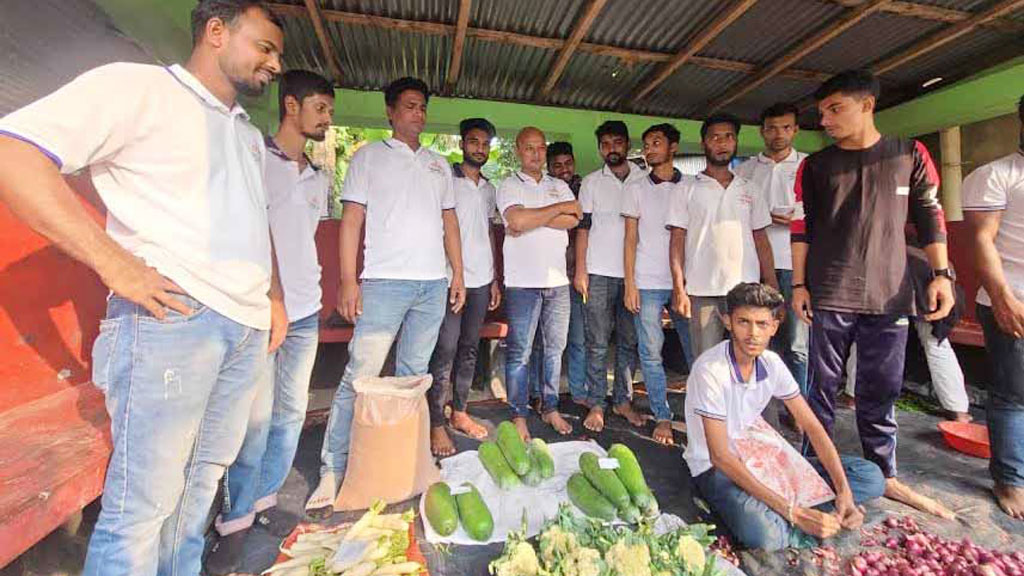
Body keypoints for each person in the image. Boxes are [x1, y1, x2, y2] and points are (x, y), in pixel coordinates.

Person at [0, 1, 286, 573]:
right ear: (215, 32)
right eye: (265, 47)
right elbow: (15, 155)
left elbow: (256, 220)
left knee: (199, 489)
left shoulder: (247, 134)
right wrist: (115, 265)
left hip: (243, 329)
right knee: (143, 507)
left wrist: (272, 295)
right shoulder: (138, 90)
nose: (275, 64)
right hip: (172, 323)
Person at [790, 70, 955, 518]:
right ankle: (810, 468)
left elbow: (929, 215)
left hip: (891, 292)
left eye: (835, 109)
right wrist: (799, 285)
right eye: (821, 111)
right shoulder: (816, 167)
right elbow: (802, 228)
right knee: (820, 390)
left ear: (867, 105)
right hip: (829, 291)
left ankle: (884, 474)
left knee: (880, 389)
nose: (825, 119)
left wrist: (941, 275)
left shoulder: (908, 154)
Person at [306, 76, 466, 515]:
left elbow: (449, 223)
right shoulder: (367, 157)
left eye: (422, 107)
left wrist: (458, 273)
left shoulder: (438, 165)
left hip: (432, 284)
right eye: (410, 106)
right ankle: (333, 468)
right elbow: (352, 221)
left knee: (414, 377)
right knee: (362, 375)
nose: (418, 114)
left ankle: (409, 463)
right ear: (391, 113)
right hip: (383, 283)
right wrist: (347, 280)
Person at [204, 69, 333, 574]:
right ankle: (233, 521)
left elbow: (305, 238)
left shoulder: (317, 173)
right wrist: (271, 297)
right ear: (292, 106)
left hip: (307, 309)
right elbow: (248, 234)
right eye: (320, 107)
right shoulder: (256, 157)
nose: (327, 117)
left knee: (290, 415)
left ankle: (265, 501)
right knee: (253, 423)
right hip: (261, 310)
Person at [686, 283, 884, 551]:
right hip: (717, 469)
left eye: (762, 324)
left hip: (758, 454)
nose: (753, 333)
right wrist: (794, 514)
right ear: (727, 322)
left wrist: (844, 493)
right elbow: (719, 456)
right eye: (743, 322)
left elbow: (813, 427)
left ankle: (806, 509)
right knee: (765, 537)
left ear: (774, 327)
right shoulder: (710, 370)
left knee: (870, 476)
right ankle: (800, 513)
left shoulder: (771, 363)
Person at [668, 114, 778, 358]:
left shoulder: (749, 188)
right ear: (703, 144)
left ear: (736, 142)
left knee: (749, 359)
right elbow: (677, 241)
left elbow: (761, 239)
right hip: (702, 290)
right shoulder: (686, 188)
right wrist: (679, 288)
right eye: (715, 137)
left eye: (728, 137)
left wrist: (771, 283)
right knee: (707, 361)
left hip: (746, 291)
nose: (722, 143)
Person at [963, 93, 1024, 519]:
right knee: (1013, 395)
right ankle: (1011, 479)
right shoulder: (998, 174)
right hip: (1013, 298)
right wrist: (1003, 297)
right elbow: (982, 240)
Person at [497, 127, 580, 439]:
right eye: (528, 148)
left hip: (557, 282)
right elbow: (515, 221)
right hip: (522, 283)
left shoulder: (559, 184)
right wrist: (556, 210)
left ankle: (550, 407)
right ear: (518, 150)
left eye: (540, 148)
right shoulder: (508, 184)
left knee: (554, 350)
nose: (535, 153)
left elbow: (574, 219)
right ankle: (519, 413)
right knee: (520, 351)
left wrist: (534, 216)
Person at [426, 117, 502, 457]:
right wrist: (453, 273)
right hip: (449, 279)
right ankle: (434, 422)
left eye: (485, 144)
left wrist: (495, 277)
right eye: (474, 142)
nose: (480, 149)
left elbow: (488, 232)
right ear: (462, 145)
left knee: (470, 348)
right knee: (445, 349)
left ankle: (459, 411)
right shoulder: (446, 179)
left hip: (482, 280)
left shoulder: (489, 188)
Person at [622, 123, 694, 445]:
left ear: (673, 147)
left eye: (656, 143)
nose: (649, 149)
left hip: (687, 282)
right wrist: (630, 283)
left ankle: (702, 415)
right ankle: (662, 416)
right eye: (646, 144)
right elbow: (630, 239)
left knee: (697, 353)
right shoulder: (636, 188)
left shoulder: (692, 186)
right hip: (647, 282)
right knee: (651, 354)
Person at [576, 120, 648, 432]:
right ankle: (596, 403)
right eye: (605, 145)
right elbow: (583, 227)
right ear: (600, 149)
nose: (611, 150)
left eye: (617, 143)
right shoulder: (591, 182)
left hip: (636, 275)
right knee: (597, 341)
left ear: (627, 145)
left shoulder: (646, 180)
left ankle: (622, 400)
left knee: (629, 341)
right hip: (599, 273)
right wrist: (580, 270)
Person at [735, 102, 809, 395]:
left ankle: (799, 407)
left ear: (796, 130)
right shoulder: (746, 170)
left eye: (786, 127)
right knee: (756, 339)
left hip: (796, 266)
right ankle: (762, 403)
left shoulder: (808, 165)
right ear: (762, 132)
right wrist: (764, 216)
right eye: (772, 128)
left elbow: (824, 214)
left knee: (796, 342)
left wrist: (797, 219)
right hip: (753, 266)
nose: (779, 134)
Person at [528, 141, 586, 406]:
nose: (564, 170)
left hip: (578, 274)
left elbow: (579, 222)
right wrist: (555, 215)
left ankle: (577, 393)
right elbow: (526, 220)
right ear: (549, 168)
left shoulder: (585, 189)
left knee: (575, 338)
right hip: (546, 274)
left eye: (568, 164)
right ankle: (537, 393)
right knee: (541, 341)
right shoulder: (542, 191)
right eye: (557, 165)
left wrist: (548, 217)